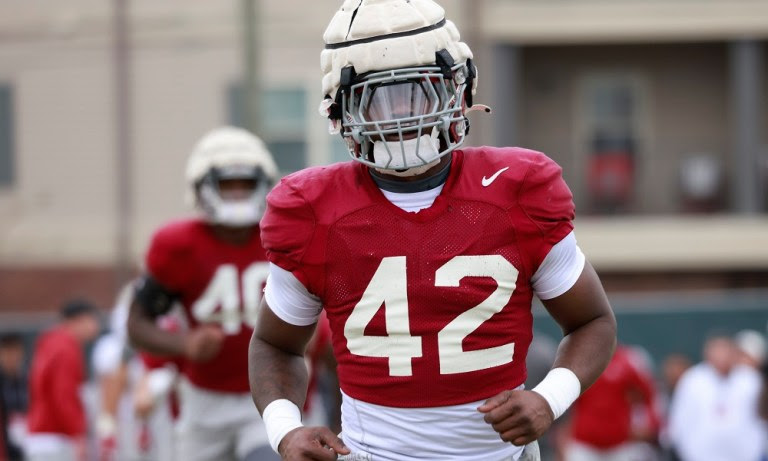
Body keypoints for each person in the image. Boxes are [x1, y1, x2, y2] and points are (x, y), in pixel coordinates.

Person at [248, 1, 618, 460]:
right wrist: (285, 428)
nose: (401, 115)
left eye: (418, 93)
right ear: (342, 111)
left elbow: (593, 322)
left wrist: (550, 398)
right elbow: (273, 344)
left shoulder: (516, 190)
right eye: (377, 100)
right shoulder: (314, 211)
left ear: (458, 89)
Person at [126, 126, 281, 461]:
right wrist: (184, 344)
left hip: (271, 393)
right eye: (228, 184)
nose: (238, 194)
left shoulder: (284, 235)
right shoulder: (177, 244)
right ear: (203, 187)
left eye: (246, 184)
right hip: (203, 400)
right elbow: (136, 325)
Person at [667, 334, 767, 461]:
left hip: (746, 455)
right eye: (717, 351)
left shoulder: (750, 379)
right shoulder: (693, 380)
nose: (722, 357)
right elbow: (680, 420)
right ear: (707, 354)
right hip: (700, 456)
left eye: (725, 351)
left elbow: (761, 418)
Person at [26, 299, 102, 461]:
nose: (95, 326)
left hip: (44, 434)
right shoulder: (65, 347)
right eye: (92, 320)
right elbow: (64, 394)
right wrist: (77, 433)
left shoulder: (52, 343)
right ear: (78, 320)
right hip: (55, 438)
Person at [565, 344, 661, 461]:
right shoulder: (581, 362)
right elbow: (568, 401)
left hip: (618, 446)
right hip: (584, 444)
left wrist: (650, 423)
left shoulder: (626, 362)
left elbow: (649, 394)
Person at [0, 333, 27, 461]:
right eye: (8, 352)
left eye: (16, 352)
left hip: (23, 442)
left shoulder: (24, 381)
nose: (12, 357)